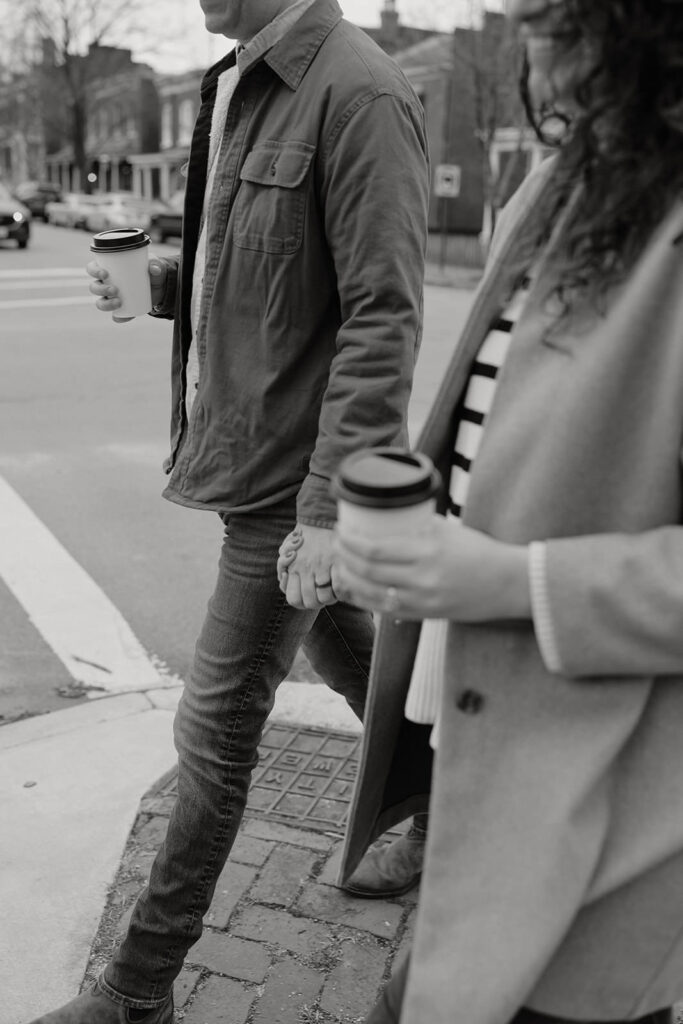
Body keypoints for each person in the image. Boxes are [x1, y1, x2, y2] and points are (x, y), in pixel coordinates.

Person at [29, 2, 429, 1022]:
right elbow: (246, 266)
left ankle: (137, 988)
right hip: (248, 459)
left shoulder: (361, 92)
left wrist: (327, 509)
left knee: (212, 735)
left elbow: (382, 314)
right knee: (349, 652)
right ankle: (447, 801)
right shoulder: (239, 81)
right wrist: (156, 281)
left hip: (292, 485)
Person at [334, 1, 683, 1022]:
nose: (534, 49)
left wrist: (513, 582)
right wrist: (405, 529)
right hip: (490, 746)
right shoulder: (560, 181)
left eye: (558, 22)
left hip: (614, 814)